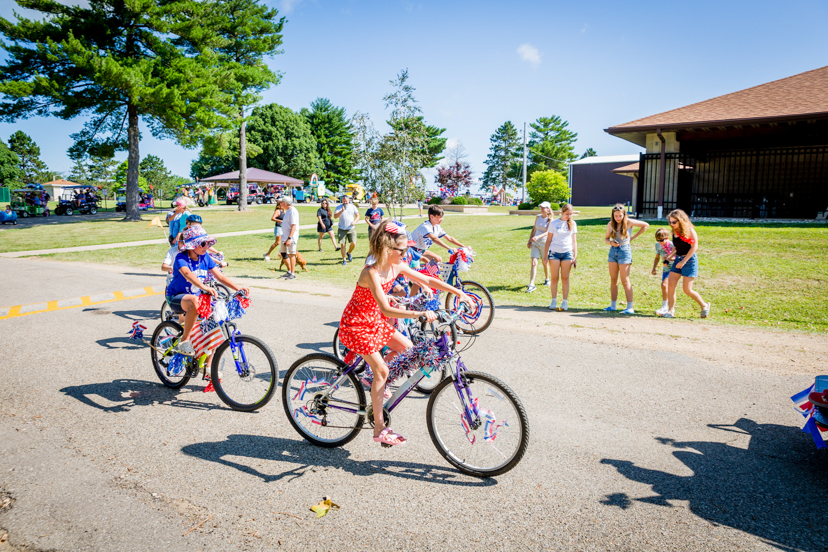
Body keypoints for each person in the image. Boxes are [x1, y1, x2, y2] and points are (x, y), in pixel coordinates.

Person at [338, 219, 473, 446]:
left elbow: (427, 278)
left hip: (373, 321)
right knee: (382, 369)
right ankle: (379, 429)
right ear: (387, 249)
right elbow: (386, 309)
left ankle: (373, 380)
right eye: (403, 249)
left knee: (407, 349)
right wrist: (418, 315)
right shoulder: (371, 272)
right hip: (356, 325)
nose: (406, 253)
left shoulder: (396, 266)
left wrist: (459, 292)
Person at [165, 226, 250, 358]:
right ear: (192, 245)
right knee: (194, 300)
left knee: (216, 322)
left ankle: (209, 367)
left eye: (208, 243)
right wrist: (204, 287)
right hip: (176, 297)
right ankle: (184, 340)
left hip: (196, 298)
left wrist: (238, 288)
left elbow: (220, 277)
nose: (207, 246)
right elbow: (187, 274)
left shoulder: (205, 257)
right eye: (203, 243)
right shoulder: (181, 258)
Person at [661, 209, 711, 319]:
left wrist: (684, 261)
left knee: (687, 290)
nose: (672, 224)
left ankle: (704, 305)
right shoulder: (674, 231)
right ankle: (670, 311)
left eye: (674, 222)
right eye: (670, 222)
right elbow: (676, 246)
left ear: (681, 220)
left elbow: (694, 247)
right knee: (670, 285)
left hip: (689, 261)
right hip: (678, 259)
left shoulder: (690, 230)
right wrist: (669, 258)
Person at [603, 204, 649, 314]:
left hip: (624, 251)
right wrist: (610, 243)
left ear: (624, 215)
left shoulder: (629, 223)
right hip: (613, 251)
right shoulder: (610, 224)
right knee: (613, 279)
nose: (618, 218)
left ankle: (629, 307)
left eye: (620, 216)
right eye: (615, 216)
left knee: (625, 280)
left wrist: (632, 238)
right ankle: (613, 305)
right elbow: (606, 238)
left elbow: (646, 225)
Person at [534, 203, 577, 311]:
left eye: (571, 214)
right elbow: (548, 240)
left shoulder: (573, 224)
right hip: (554, 253)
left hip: (567, 253)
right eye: (567, 214)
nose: (569, 216)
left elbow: (574, 241)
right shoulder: (554, 223)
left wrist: (574, 256)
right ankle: (553, 300)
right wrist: (545, 256)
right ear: (562, 212)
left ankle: (565, 302)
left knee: (565, 278)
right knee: (554, 278)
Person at [525, 201, 554, 293]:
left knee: (545, 262)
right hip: (535, 243)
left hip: (545, 244)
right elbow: (534, 229)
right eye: (541, 207)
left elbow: (548, 232)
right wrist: (530, 240)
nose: (542, 209)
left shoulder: (550, 220)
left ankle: (547, 279)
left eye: (544, 207)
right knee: (533, 263)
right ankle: (532, 284)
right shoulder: (538, 217)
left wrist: (538, 236)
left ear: (548, 209)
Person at [651, 228, 676, 316]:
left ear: (667, 238)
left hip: (673, 269)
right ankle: (667, 306)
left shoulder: (672, 245)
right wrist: (654, 268)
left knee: (664, 285)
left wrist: (668, 259)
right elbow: (657, 257)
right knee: (666, 287)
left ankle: (665, 306)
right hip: (665, 269)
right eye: (658, 240)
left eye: (662, 240)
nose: (660, 242)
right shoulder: (657, 245)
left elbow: (677, 257)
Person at [334, 195, 360, 266]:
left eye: (346, 200)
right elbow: (335, 216)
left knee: (353, 243)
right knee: (343, 245)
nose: (345, 201)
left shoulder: (352, 207)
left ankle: (348, 253)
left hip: (351, 228)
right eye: (343, 200)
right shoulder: (339, 207)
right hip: (342, 229)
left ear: (349, 200)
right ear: (342, 200)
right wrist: (341, 211)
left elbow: (358, 216)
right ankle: (344, 260)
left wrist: (354, 221)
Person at [278, 196, 299, 280]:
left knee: (291, 254)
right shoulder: (287, 211)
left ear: (285, 203)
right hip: (284, 236)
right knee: (283, 253)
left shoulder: (293, 211)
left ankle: (293, 274)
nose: (280, 204)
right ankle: (289, 271)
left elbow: (293, 226)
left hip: (291, 238)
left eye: (281, 203)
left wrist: (289, 238)